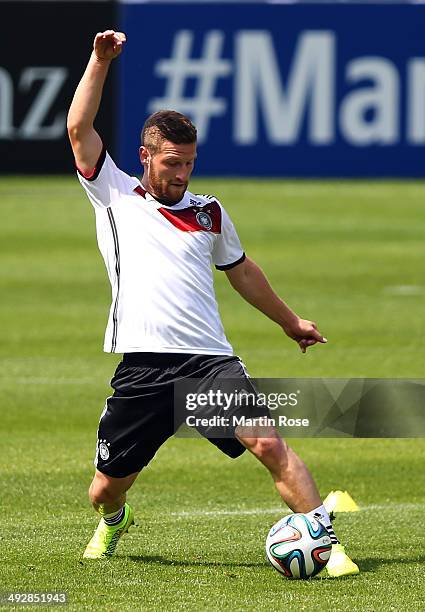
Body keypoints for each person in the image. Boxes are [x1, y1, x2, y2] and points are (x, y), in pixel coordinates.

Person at [67, 29, 359, 577]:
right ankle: (115, 520)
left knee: (268, 443)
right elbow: (78, 128)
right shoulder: (114, 192)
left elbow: (242, 271)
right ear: (145, 156)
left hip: (207, 363)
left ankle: (325, 543)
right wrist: (99, 61)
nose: (181, 174)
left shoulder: (209, 212)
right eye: (172, 162)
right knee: (104, 490)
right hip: (143, 370)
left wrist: (290, 321)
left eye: (190, 164)